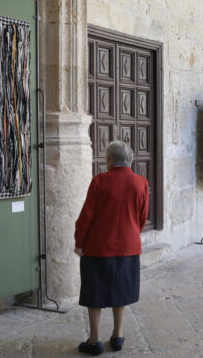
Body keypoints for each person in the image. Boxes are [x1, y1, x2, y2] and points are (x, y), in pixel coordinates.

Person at [74, 140, 149, 355]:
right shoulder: (141, 183)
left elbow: (86, 216)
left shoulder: (99, 181)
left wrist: (79, 242)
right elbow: (142, 218)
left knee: (94, 293)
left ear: (110, 160)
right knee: (121, 291)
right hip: (128, 248)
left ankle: (94, 341)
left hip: (97, 249)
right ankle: (117, 336)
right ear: (129, 160)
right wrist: (131, 235)